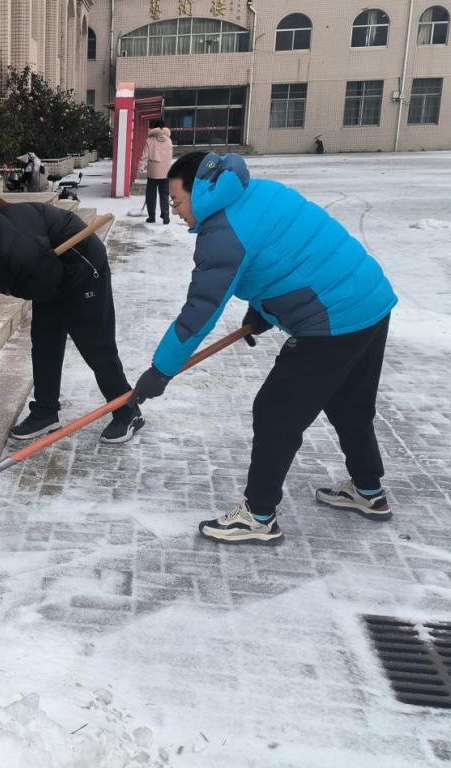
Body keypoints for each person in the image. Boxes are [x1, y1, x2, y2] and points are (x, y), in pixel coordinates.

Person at [130, 151, 397, 544]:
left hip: (335, 318)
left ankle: (258, 515)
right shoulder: (256, 192)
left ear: (202, 190)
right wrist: (262, 312)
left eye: (177, 200)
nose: (175, 210)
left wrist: (161, 370)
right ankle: (369, 490)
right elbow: (288, 257)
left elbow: (200, 312)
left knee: (275, 410)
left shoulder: (221, 233)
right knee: (349, 403)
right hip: (369, 300)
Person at [0, 202, 143, 444]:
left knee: (95, 346)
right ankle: (45, 413)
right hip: (47, 266)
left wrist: (5, 282)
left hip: (82, 269)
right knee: (45, 345)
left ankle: (128, 410)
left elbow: (37, 282)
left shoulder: (16, 250)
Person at [140, 119, 173, 224]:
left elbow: (145, 156)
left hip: (153, 172)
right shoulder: (169, 140)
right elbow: (170, 156)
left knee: (151, 195)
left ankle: (152, 217)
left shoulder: (150, 140)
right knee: (164, 195)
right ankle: (166, 215)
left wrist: (141, 167)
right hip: (166, 172)